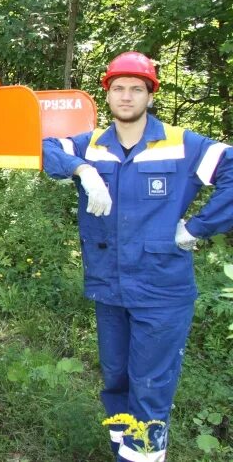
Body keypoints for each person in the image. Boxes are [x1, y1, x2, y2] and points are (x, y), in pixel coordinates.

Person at [42, 51, 233, 461]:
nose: (126, 96)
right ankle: (122, 451)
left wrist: (197, 227)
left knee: (150, 385)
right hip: (110, 288)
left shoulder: (182, 145)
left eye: (136, 89)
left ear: (150, 95)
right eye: (118, 88)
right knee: (116, 380)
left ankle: (144, 455)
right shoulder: (90, 144)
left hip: (161, 290)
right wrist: (83, 170)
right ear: (107, 94)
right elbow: (45, 150)